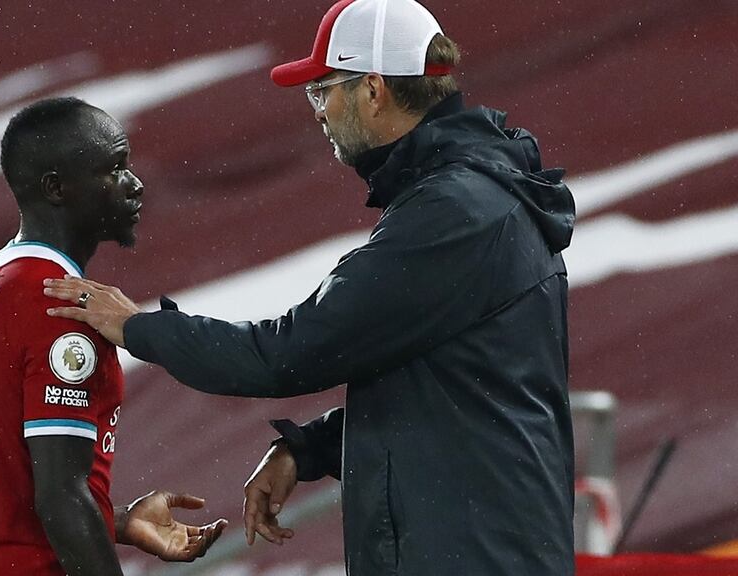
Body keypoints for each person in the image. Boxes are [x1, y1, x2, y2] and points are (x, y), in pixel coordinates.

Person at [43, 0, 576, 573]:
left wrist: (137, 327)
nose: (318, 110)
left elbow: (288, 355)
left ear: (373, 89)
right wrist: (311, 448)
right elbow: (462, 390)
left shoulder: (452, 213)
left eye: (324, 89)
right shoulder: (475, 195)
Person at [0, 97, 226, 576]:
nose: (134, 184)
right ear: (57, 188)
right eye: (113, 168)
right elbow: (62, 499)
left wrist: (119, 520)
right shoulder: (59, 308)